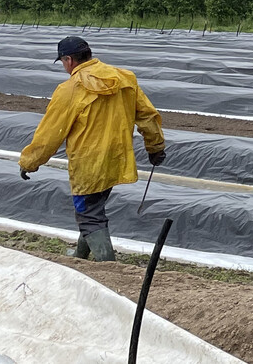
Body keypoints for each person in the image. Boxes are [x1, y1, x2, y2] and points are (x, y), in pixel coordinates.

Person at [18, 36, 166, 261]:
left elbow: (50, 134)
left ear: (69, 60)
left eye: (63, 62)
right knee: (93, 207)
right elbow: (147, 115)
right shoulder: (125, 78)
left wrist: (29, 162)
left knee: (89, 214)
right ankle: (80, 254)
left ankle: (107, 264)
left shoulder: (70, 89)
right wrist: (155, 146)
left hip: (88, 164)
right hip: (117, 159)